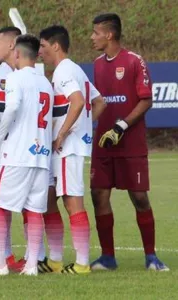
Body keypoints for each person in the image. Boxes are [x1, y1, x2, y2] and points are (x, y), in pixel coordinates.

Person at [90, 13, 169, 271]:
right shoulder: (97, 64)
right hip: (103, 143)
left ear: (109, 34)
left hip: (130, 143)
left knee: (139, 197)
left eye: (96, 33)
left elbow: (146, 100)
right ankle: (108, 257)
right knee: (98, 195)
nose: (92, 37)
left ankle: (151, 257)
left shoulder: (135, 61)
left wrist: (121, 126)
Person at [0, 34, 54, 276]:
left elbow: (12, 108)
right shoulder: (45, 83)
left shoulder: (14, 78)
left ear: (16, 53)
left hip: (16, 156)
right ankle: (31, 265)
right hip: (40, 156)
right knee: (33, 210)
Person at [38, 25, 106, 274]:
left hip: (67, 149)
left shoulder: (64, 71)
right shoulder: (75, 69)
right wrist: (83, 129)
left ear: (56, 45)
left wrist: (65, 133)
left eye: (43, 46)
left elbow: (78, 101)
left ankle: (82, 263)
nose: (40, 52)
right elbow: (99, 103)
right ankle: (55, 260)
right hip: (68, 147)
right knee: (48, 200)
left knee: (72, 202)